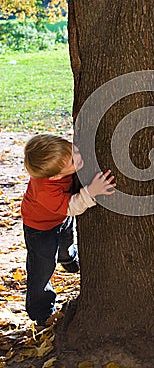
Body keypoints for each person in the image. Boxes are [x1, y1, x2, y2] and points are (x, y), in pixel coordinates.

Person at [21, 134, 116, 326]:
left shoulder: (58, 163)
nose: (78, 156)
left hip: (60, 218)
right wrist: (91, 191)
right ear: (56, 176)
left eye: (73, 148)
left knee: (66, 240)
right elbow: (71, 206)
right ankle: (41, 311)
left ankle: (68, 258)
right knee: (42, 267)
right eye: (73, 160)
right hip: (40, 229)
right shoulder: (45, 190)